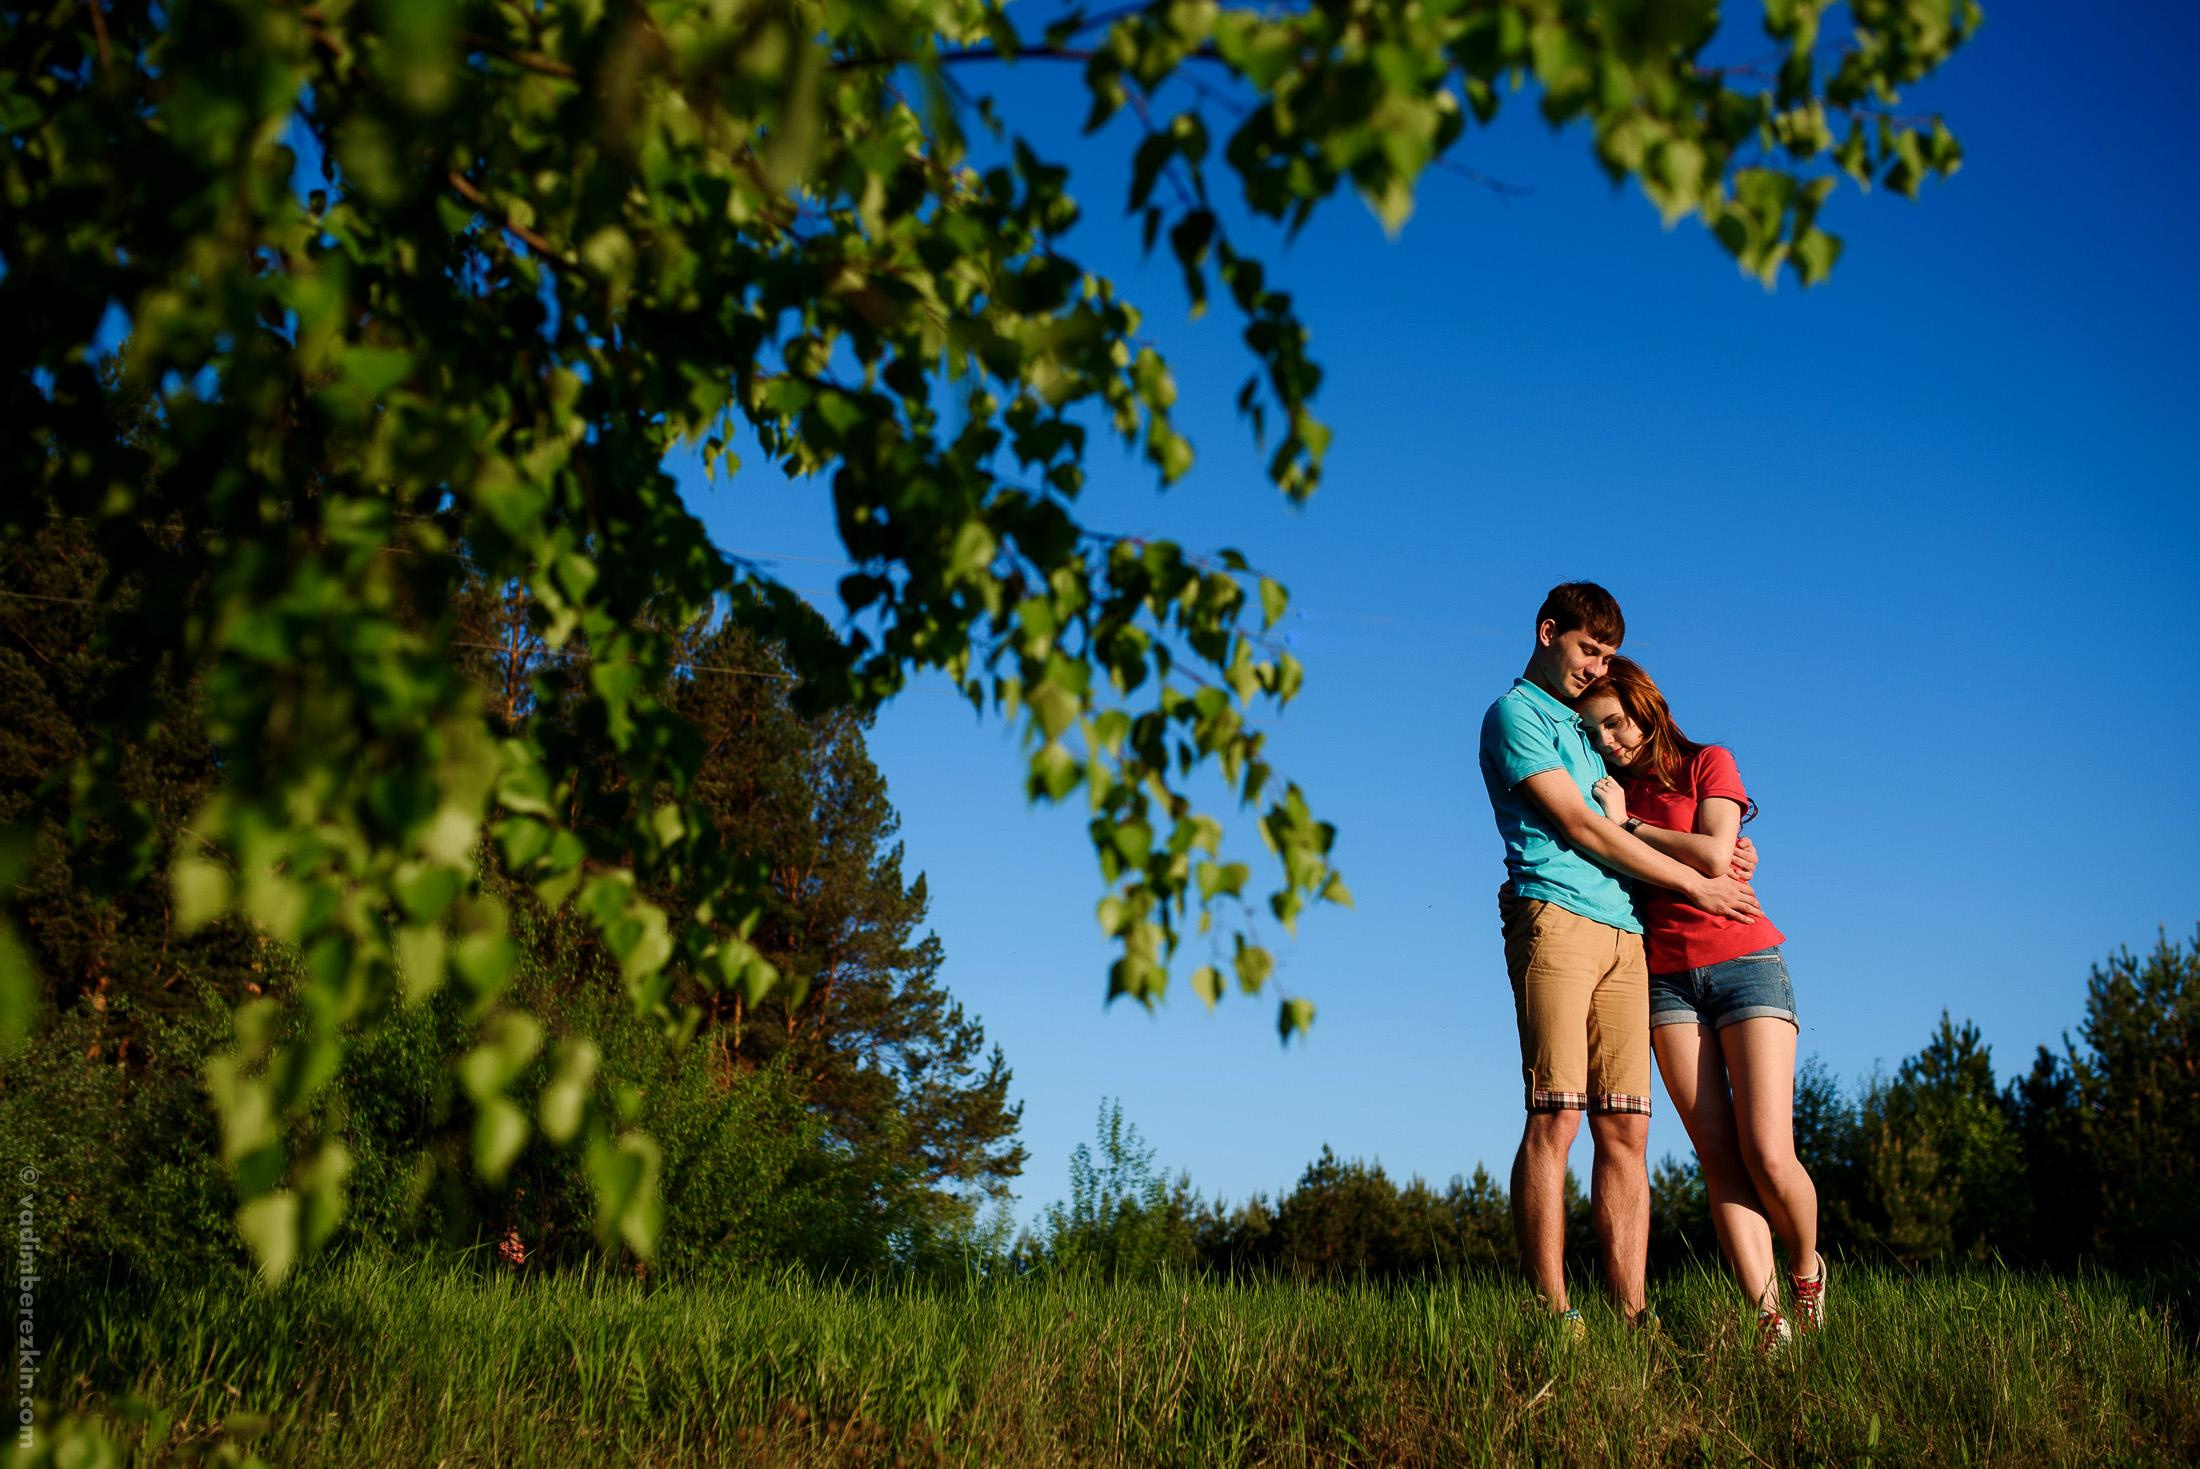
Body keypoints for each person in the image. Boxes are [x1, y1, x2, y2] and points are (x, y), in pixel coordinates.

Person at [1479, 583, 1761, 1336]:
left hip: (1626, 935)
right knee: (1556, 1117)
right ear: (1548, 632)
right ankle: (1554, 1313)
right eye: (1587, 650)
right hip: (1555, 917)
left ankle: (1632, 1315)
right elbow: (1584, 828)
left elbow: (1656, 815)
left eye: (1607, 656)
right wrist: (1699, 883)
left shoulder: (1589, 728)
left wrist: (1727, 851)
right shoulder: (1515, 716)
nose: (1596, 667)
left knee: (1628, 1129)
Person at [1576, 655, 1828, 1351]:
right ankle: (1769, 1319)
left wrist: (1631, 829)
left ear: (1645, 705)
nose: (1608, 742)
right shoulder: (1608, 790)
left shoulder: (1707, 762)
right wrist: (1619, 824)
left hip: (1746, 963)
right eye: (1595, 732)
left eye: (1615, 723)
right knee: (1718, 1156)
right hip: (1665, 980)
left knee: (1768, 1151)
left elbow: (1718, 856)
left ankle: (1807, 1270)